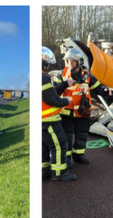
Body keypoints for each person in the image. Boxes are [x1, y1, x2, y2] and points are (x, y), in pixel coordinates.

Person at [54, 47, 111, 166]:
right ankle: (66, 159)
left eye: (73, 61)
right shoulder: (61, 75)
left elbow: (98, 88)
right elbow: (54, 92)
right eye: (68, 61)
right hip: (67, 113)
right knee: (67, 137)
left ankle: (79, 156)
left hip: (83, 112)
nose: (70, 63)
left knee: (82, 135)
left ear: (79, 62)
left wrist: (106, 90)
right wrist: (64, 84)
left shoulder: (87, 75)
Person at [41, 46, 76, 181]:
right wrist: (66, 101)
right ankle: (60, 173)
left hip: (43, 120)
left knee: (44, 147)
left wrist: (65, 84)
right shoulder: (43, 77)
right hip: (49, 120)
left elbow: (50, 92)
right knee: (59, 145)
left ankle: (44, 170)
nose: (48, 65)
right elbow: (52, 99)